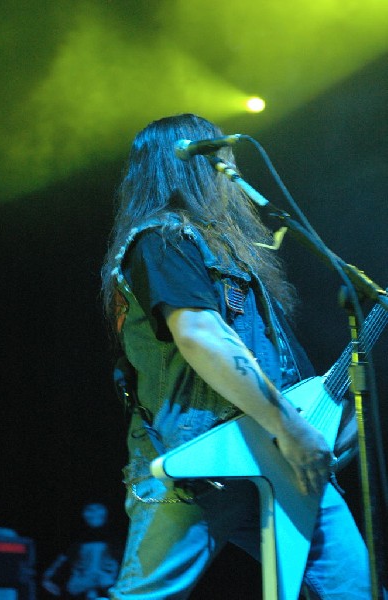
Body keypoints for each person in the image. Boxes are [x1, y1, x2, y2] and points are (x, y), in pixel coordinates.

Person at [101, 114, 371, 599]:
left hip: (280, 453)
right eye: (219, 157)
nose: (233, 170)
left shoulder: (234, 254)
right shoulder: (162, 240)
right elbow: (201, 336)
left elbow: (276, 365)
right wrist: (291, 426)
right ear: (184, 165)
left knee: (353, 589)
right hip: (200, 458)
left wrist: (324, 423)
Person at [42, 502, 122, 599]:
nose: (94, 513)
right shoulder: (75, 541)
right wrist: (47, 580)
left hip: (108, 585)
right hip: (81, 585)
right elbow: (59, 562)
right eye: (90, 510)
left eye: (98, 509)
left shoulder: (117, 541)